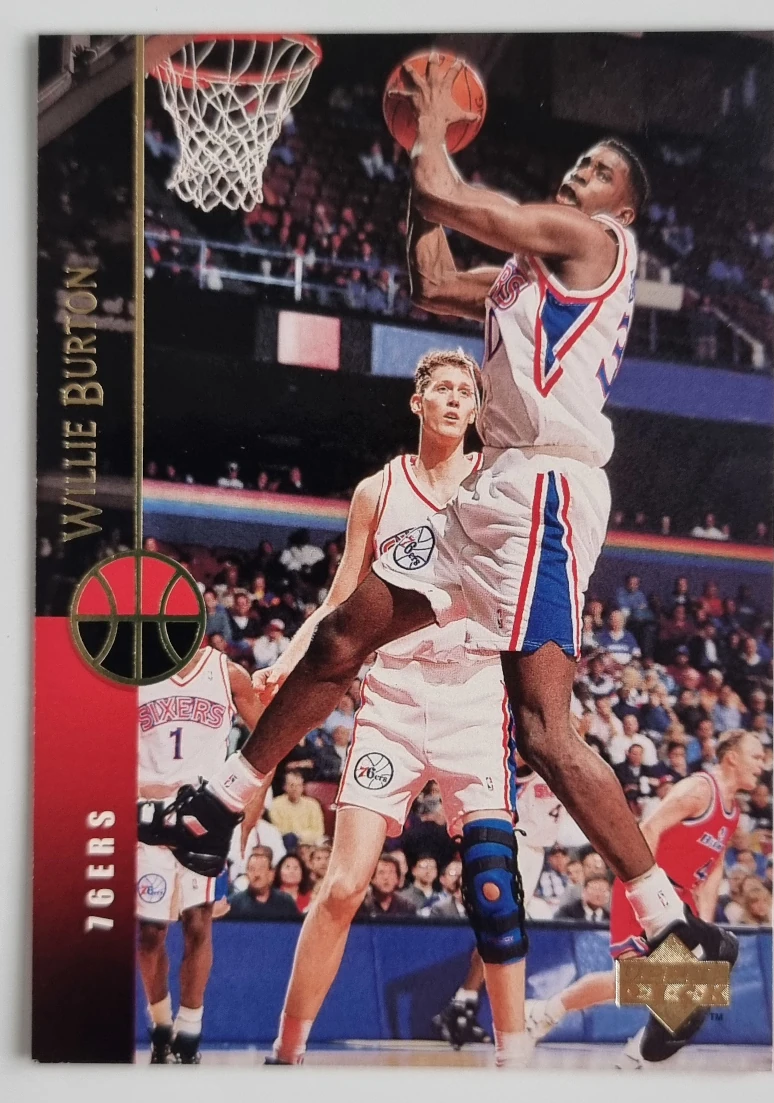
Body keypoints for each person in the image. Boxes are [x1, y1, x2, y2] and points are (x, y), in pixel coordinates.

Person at [145, 60, 730, 1056]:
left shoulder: (594, 242)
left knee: (545, 737)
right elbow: (428, 275)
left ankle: (677, 942)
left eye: (598, 169)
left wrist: (427, 127)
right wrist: (416, 170)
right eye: (578, 164)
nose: (579, 174)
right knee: (345, 633)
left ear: (622, 207)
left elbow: (451, 199)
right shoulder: (519, 282)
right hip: (492, 499)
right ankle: (221, 801)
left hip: (545, 492)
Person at [250, 350, 529, 1068]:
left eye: (467, 392)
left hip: (474, 694)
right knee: (343, 886)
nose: (457, 399)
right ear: (417, 402)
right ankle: (286, 1051)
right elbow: (342, 597)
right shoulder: (378, 490)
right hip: (394, 697)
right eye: (444, 389)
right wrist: (290, 658)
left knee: (493, 885)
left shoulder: (498, 480)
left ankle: (517, 1060)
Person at [525, 730, 764, 1065]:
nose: (762, 764)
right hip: (648, 885)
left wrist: (704, 925)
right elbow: (648, 829)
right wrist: (648, 893)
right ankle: (549, 1012)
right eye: (756, 756)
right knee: (636, 980)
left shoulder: (733, 811)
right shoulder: (699, 790)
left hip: (681, 898)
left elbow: (714, 868)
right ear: (732, 758)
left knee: (680, 990)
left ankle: (631, 1056)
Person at [136, 646, 265, 1063]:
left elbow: (270, 740)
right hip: (147, 814)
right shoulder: (135, 670)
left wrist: (251, 808)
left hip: (205, 816)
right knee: (150, 933)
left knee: (198, 922)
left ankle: (189, 1031)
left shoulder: (228, 673)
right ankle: (160, 1025)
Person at [433, 766, 563, 1048]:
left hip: (535, 852)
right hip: (517, 844)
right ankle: (464, 1005)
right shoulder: (525, 766)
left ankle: (464, 1004)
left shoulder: (561, 767)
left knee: (501, 932)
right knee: (501, 928)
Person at [226, 850, 301, 920]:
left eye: (261, 869)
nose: (256, 874)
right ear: (247, 874)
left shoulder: (285, 902)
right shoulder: (233, 903)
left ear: (271, 874)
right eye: (252, 869)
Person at [268, 771, 326, 846]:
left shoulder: (313, 804)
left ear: (303, 787)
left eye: (298, 785)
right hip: (287, 843)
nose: (295, 789)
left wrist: (300, 836)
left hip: (310, 843)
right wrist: (297, 837)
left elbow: (319, 831)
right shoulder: (275, 804)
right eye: (292, 785)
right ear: (285, 787)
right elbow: (279, 830)